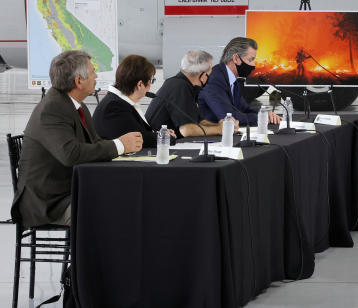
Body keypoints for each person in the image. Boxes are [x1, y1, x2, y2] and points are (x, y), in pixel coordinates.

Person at [12, 50, 143, 227]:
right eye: (92, 72)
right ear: (78, 81)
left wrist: (124, 149)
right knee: (108, 214)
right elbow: (70, 154)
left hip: (68, 191)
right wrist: (120, 145)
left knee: (126, 200)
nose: (96, 76)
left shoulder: (74, 105)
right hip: (48, 202)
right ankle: (99, 255)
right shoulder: (51, 110)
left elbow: (94, 143)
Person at [93, 54, 177, 148]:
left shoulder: (120, 102)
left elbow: (138, 132)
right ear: (140, 84)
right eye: (151, 80)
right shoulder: (114, 106)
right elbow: (139, 138)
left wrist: (160, 133)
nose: (150, 86)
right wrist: (165, 137)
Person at [198, 37, 282, 127]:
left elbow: (244, 109)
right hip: (211, 137)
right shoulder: (214, 79)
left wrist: (265, 114)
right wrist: (262, 118)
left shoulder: (234, 81)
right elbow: (228, 117)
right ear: (236, 58)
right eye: (250, 60)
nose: (253, 65)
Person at [146, 50, 224, 137]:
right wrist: (220, 130)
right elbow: (187, 130)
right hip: (159, 146)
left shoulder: (180, 83)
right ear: (203, 76)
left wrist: (221, 125)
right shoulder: (180, 87)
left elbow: (199, 122)